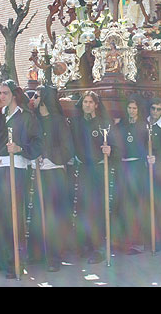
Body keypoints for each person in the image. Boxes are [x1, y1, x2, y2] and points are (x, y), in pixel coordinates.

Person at [0, 80, 41, 278]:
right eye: (0, 93)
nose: (2, 97)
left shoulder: (27, 117)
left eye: (5, 93)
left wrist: (20, 149)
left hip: (16, 169)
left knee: (13, 217)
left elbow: (37, 142)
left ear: (14, 95)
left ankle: (14, 262)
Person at [29, 85, 73, 271]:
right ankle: (37, 253)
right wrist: (33, 153)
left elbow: (67, 149)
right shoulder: (34, 120)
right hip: (38, 173)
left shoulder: (59, 122)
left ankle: (54, 256)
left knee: (53, 215)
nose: (34, 98)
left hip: (54, 174)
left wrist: (45, 153)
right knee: (38, 214)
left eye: (37, 96)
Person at [69, 91, 112, 264]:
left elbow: (115, 145)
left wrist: (110, 151)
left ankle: (98, 248)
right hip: (82, 169)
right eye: (85, 102)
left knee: (96, 209)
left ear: (96, 105)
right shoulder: (76, 123)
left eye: (90, 102)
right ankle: (84, 245)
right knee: (82, 209)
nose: (87, 105)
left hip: (98, 170)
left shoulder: (104, 123)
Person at [112, 96, 149, 255]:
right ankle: (121, 241)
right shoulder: (120, 125)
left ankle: (137, 242)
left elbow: (148, 147)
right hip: (123, 166)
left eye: (134, 108)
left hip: (137, 167)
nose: (132, 111)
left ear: (138, 110)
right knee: (122, 204)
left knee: (135, 204)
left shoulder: (143, 126)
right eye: (129, 108)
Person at [146, 98, 161, 250]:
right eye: (153, 108)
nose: (155, 111)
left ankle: (159, 238)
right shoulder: (143, 124)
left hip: (159, 168)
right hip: (144, 167)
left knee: (160, 204)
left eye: (158, 109)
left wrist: (158, 158)